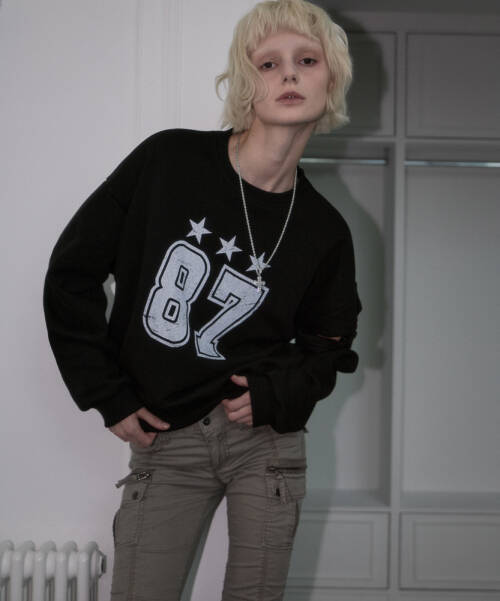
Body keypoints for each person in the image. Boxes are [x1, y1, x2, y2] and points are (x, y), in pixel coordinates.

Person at [42, 0, 362, 599]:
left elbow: (330, 346)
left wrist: (276, 393)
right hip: (168, 436)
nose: (289, 75)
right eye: (268, 63)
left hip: (265, 442)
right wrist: (106, 394)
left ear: (331, 79)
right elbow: (71, 273)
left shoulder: (325, 230)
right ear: (246, 81)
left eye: (307, 60)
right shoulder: (168, 161)